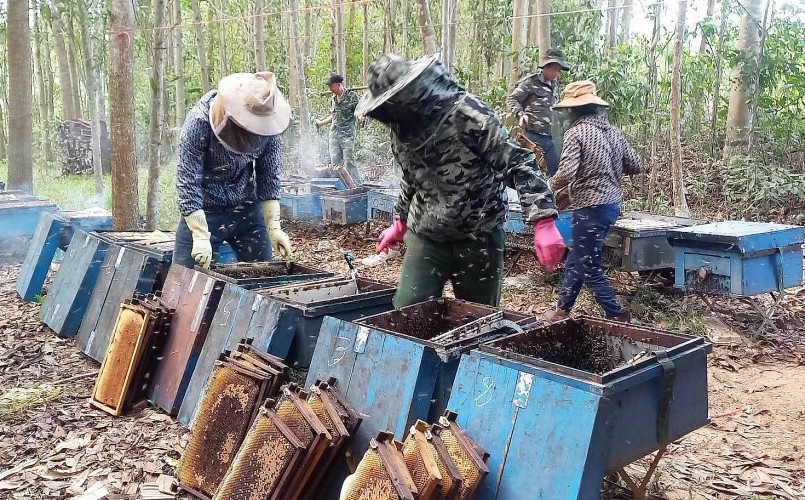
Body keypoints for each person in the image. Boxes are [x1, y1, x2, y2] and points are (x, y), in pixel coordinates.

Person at [357, 53, 566, 310]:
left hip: (478, 235)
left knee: (477, 319)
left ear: (411, 92)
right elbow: (413, 176)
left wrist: (543, 220)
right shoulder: (402, 126)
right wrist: (400, 222)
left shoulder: (466, 112)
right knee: (407, 313)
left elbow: (518, 162)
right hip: (427, 235)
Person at [543, 80, 642, 323]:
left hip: (589, 207)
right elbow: (636, 165)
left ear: (573, 110)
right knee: (578, 257)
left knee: (589, 267)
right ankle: (562, 310)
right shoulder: (614, 132)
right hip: (611, 206)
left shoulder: (576, 132)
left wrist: (547, 187)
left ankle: (617, 315)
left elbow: (566, 173)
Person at [174, 71, 293, 269]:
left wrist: (274, 226)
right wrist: (200, 234)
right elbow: (187, 181)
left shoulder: (268, 127)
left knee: (264, 275)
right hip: (204, 209)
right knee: (184, 281)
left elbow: (268, 176)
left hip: (246, 207)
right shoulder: (198, 123)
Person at [507, 48, 570, 177]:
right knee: (530, 173)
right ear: (546, 66)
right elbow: (512, 99)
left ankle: (553, 196)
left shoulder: (555, 85)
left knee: (556, 172)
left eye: (559, 70)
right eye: (555, 69)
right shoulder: (530, 82)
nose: (557, 73)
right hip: (533, 136)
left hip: (551, 137)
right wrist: (520, 114)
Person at [315, 73, 362, 183]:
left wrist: (361, 117)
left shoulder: (352, 96)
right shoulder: (334, 98)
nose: (329, 88)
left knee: (349, 162)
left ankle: (356, 185)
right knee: (335, 164)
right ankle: (340, 186)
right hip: (334, 135)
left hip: (347, 135)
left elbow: (359, 111)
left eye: (331, 86)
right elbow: (335, 115)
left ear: (338, 85)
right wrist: (321, 123)